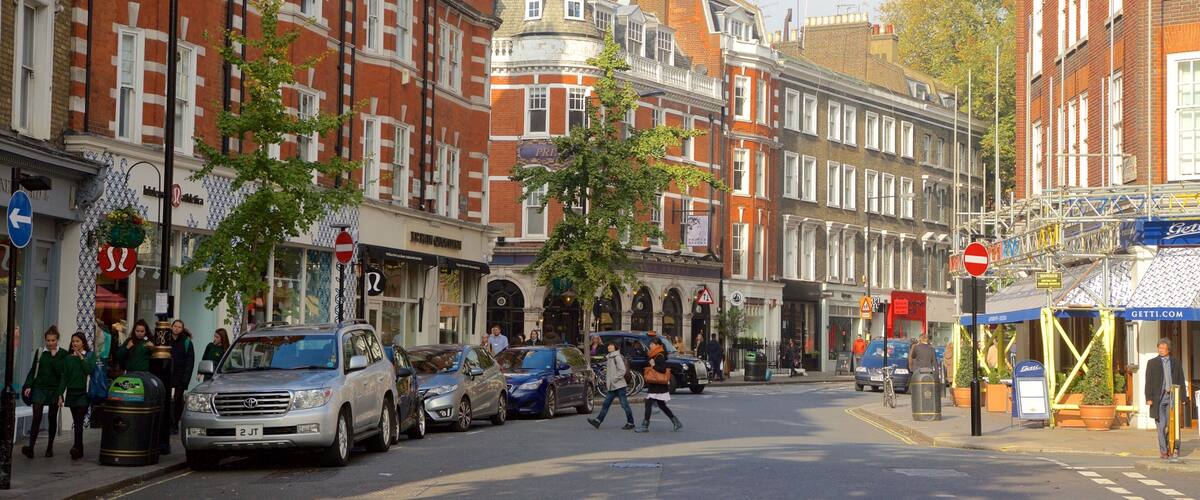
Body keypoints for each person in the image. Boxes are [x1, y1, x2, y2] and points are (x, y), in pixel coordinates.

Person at [21, 326, 68, 458]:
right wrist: (29, 385)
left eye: (53, 340)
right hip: (39, 388)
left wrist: (54, 358)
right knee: (36, 417)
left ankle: (49, 447)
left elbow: (62, 373)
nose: (50, 343)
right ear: (45, 340)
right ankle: (31, 448)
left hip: (54, 389)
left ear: (57, 340)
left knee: (52, 418)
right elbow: (34, 369)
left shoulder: (63, 354)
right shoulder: (40, 351)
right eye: (48, 340)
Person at [1146, 338, 1188, 459]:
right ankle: (1164, 450)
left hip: (1172, 397)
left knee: (1172, 424)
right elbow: (1148, 382)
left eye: (1163, 348)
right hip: (1158, 398)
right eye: (1159, 348)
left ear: (1168, 350)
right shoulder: (1152, 363)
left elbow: (1180, 379)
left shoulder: (1176, 362)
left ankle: (1173, 447)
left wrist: (1183, 398)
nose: (1161, 350)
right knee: (1161, 425)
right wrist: (1149, 398)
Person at [60, 332, 96, 460]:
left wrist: (80, 357)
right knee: (76, 422)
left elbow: (88, 370)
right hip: (71, 393)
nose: (75, 344)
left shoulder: (90, 356)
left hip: (83, 393)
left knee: (79, 421)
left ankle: (76, 447)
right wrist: (60, 394)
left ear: (83, 342)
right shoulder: (68, 358)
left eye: (78, 341)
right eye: (73, 341)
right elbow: (64, 376)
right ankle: (78, 449)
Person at [635, 337, 681, 432]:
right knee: (662, 405)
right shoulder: (655, 355)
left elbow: (662, 369)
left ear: (657, 345)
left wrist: (653, 365)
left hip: (657, 384)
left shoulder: (659, 356)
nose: (650, 346)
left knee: (648, 403)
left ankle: (645, 426)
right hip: (657, 384)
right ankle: (676, 422)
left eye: (651, 344)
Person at [587, 342, 635, 430]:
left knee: (624, 405)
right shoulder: (610, 357)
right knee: (606, 404)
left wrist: (614, 379)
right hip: (612, 386)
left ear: (615, 347)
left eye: (611, 345)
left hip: (619, 386)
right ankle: (598, 421)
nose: (609, 347)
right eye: (608, 345)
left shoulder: (617, 357)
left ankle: (631, 422)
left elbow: (622, 370)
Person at [169, 320, 195, 434]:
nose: (176, 329)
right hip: (168, 375)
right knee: (167, 401)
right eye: (175, 326)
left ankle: (175, 424)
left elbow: (190, 362)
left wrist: (186, 379)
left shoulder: (186, 342)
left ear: (182, 329)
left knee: (178, 400)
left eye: (179, 327)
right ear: (171, 327)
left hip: (181, 376)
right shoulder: (166, 339)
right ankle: (168, 423)